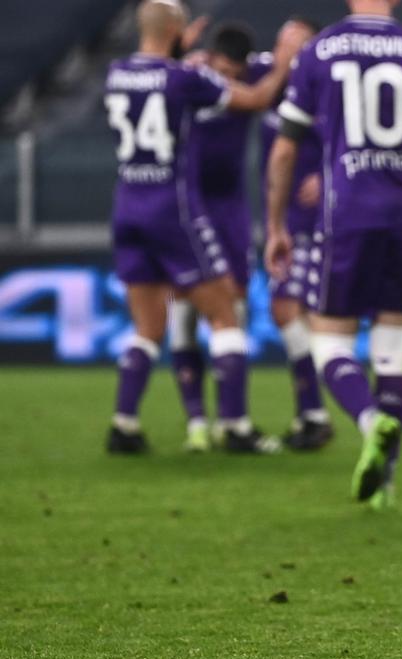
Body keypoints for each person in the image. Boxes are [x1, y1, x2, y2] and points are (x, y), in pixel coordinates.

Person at [265, 0, 402, 507]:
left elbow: (284, 148)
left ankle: (368, 421)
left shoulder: (320, 51)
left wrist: (275, 224)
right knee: (391, 350)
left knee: (331, 346)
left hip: (345, 216)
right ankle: (386, 482)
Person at [104, 0, 301, 454]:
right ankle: (235, 427)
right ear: (177, 28)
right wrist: (284, 66)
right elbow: (253, 100)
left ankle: (124, 424)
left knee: (148, 326)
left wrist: (174, 47)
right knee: (225, 315)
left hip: (126, 208)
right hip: (171, 210)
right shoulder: (184, 78)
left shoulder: (116, 73)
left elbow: (150, 77)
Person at [168, 21, 303, 453]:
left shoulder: (258, 70)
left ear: (243, 65)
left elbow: (294, 77)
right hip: (188, 207)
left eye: (232, 71)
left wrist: (287, 56)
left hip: (229, 210)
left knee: (237, 309)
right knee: (184, 312)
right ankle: (197, 424)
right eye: (220, 68)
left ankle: (232, 421)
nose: (225, 78)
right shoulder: (192, 75)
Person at [258, 16, 335, 452]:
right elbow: (224, 68)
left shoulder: (324, 94)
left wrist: (328, 178)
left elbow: (350, 145)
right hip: (283, 221)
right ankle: (314, 414)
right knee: (293, 315)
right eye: (281, 43)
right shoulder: (266, 77)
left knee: (287, 309)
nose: (286, 52)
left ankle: (316, 413)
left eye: (296, 45)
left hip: (313, 224)